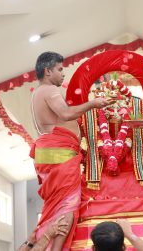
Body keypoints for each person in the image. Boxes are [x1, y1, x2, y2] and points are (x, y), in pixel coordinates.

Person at [30, 51, 111, 251]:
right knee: (68, 203)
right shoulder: (49, 90)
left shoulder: (38, 93)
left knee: (54, 205)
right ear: (48, 71)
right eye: (59, 69)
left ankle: (45, 244)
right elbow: (66, 114)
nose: (63, 73)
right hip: (60, 152)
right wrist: (94, 103)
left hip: (48, 151)